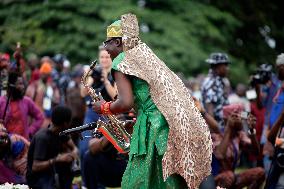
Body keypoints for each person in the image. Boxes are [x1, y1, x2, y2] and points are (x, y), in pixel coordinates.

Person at [92, 13, 212, 188]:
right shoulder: (146, 55)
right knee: (169, 179)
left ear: (118, 42)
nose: (106, 49)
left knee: (140, 182)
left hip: (154, 128)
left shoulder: (121, 61)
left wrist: (104, 107)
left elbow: (125, 102)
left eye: (107, 43)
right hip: (172, 123)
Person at [212, 104, 265, 189]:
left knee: (260, 172)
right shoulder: (217, 135)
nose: (241, 121)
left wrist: (251, 130)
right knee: (228, 176)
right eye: (237, 117)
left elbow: (256, 152)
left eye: (241, 117)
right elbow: (219, 155)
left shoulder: (239, 135)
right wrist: (229, 127)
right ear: (227, 119)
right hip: (215, 180)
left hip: (232, 177)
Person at [26, 106, 79, 189]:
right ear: (65, 123)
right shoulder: (42, 138)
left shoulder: (61, 132)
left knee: (67, 170)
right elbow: (35, 166)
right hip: (38, 178)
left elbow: (74, 148)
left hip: (52, 171)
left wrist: (73, 154)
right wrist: (58, 159)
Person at [0, 71, 44, 140]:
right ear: (11, 85)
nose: (23, 87)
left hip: (24, 143)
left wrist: (30, 131)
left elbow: (40, 117)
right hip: (6, 145)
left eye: (22, 84)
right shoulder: (1, 102)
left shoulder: (26, 101)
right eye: (19, 84)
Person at [264, 53, 284, 189]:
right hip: (275, 139)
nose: (277, 71)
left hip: (280, 141)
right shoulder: (280, 88)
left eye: (279, 67)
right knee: (271, 181)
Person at [26, 58, 60, 128]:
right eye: (43, 73)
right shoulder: (34, 85)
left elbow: (57, 101)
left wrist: (50, 96)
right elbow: (28, 101)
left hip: (48, 119)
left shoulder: (52, 86)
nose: (44, 75)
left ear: (49, 75)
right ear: (41, 73)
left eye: (47, 74)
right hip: (36, 119)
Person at [201, 52, 231, 129]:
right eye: (225, 65)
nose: (227, 68)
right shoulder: (212, 83)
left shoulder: (219, 81)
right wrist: (214, 130)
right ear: (218, 67)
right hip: (216, 128)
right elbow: (209, 107)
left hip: (220, 126)